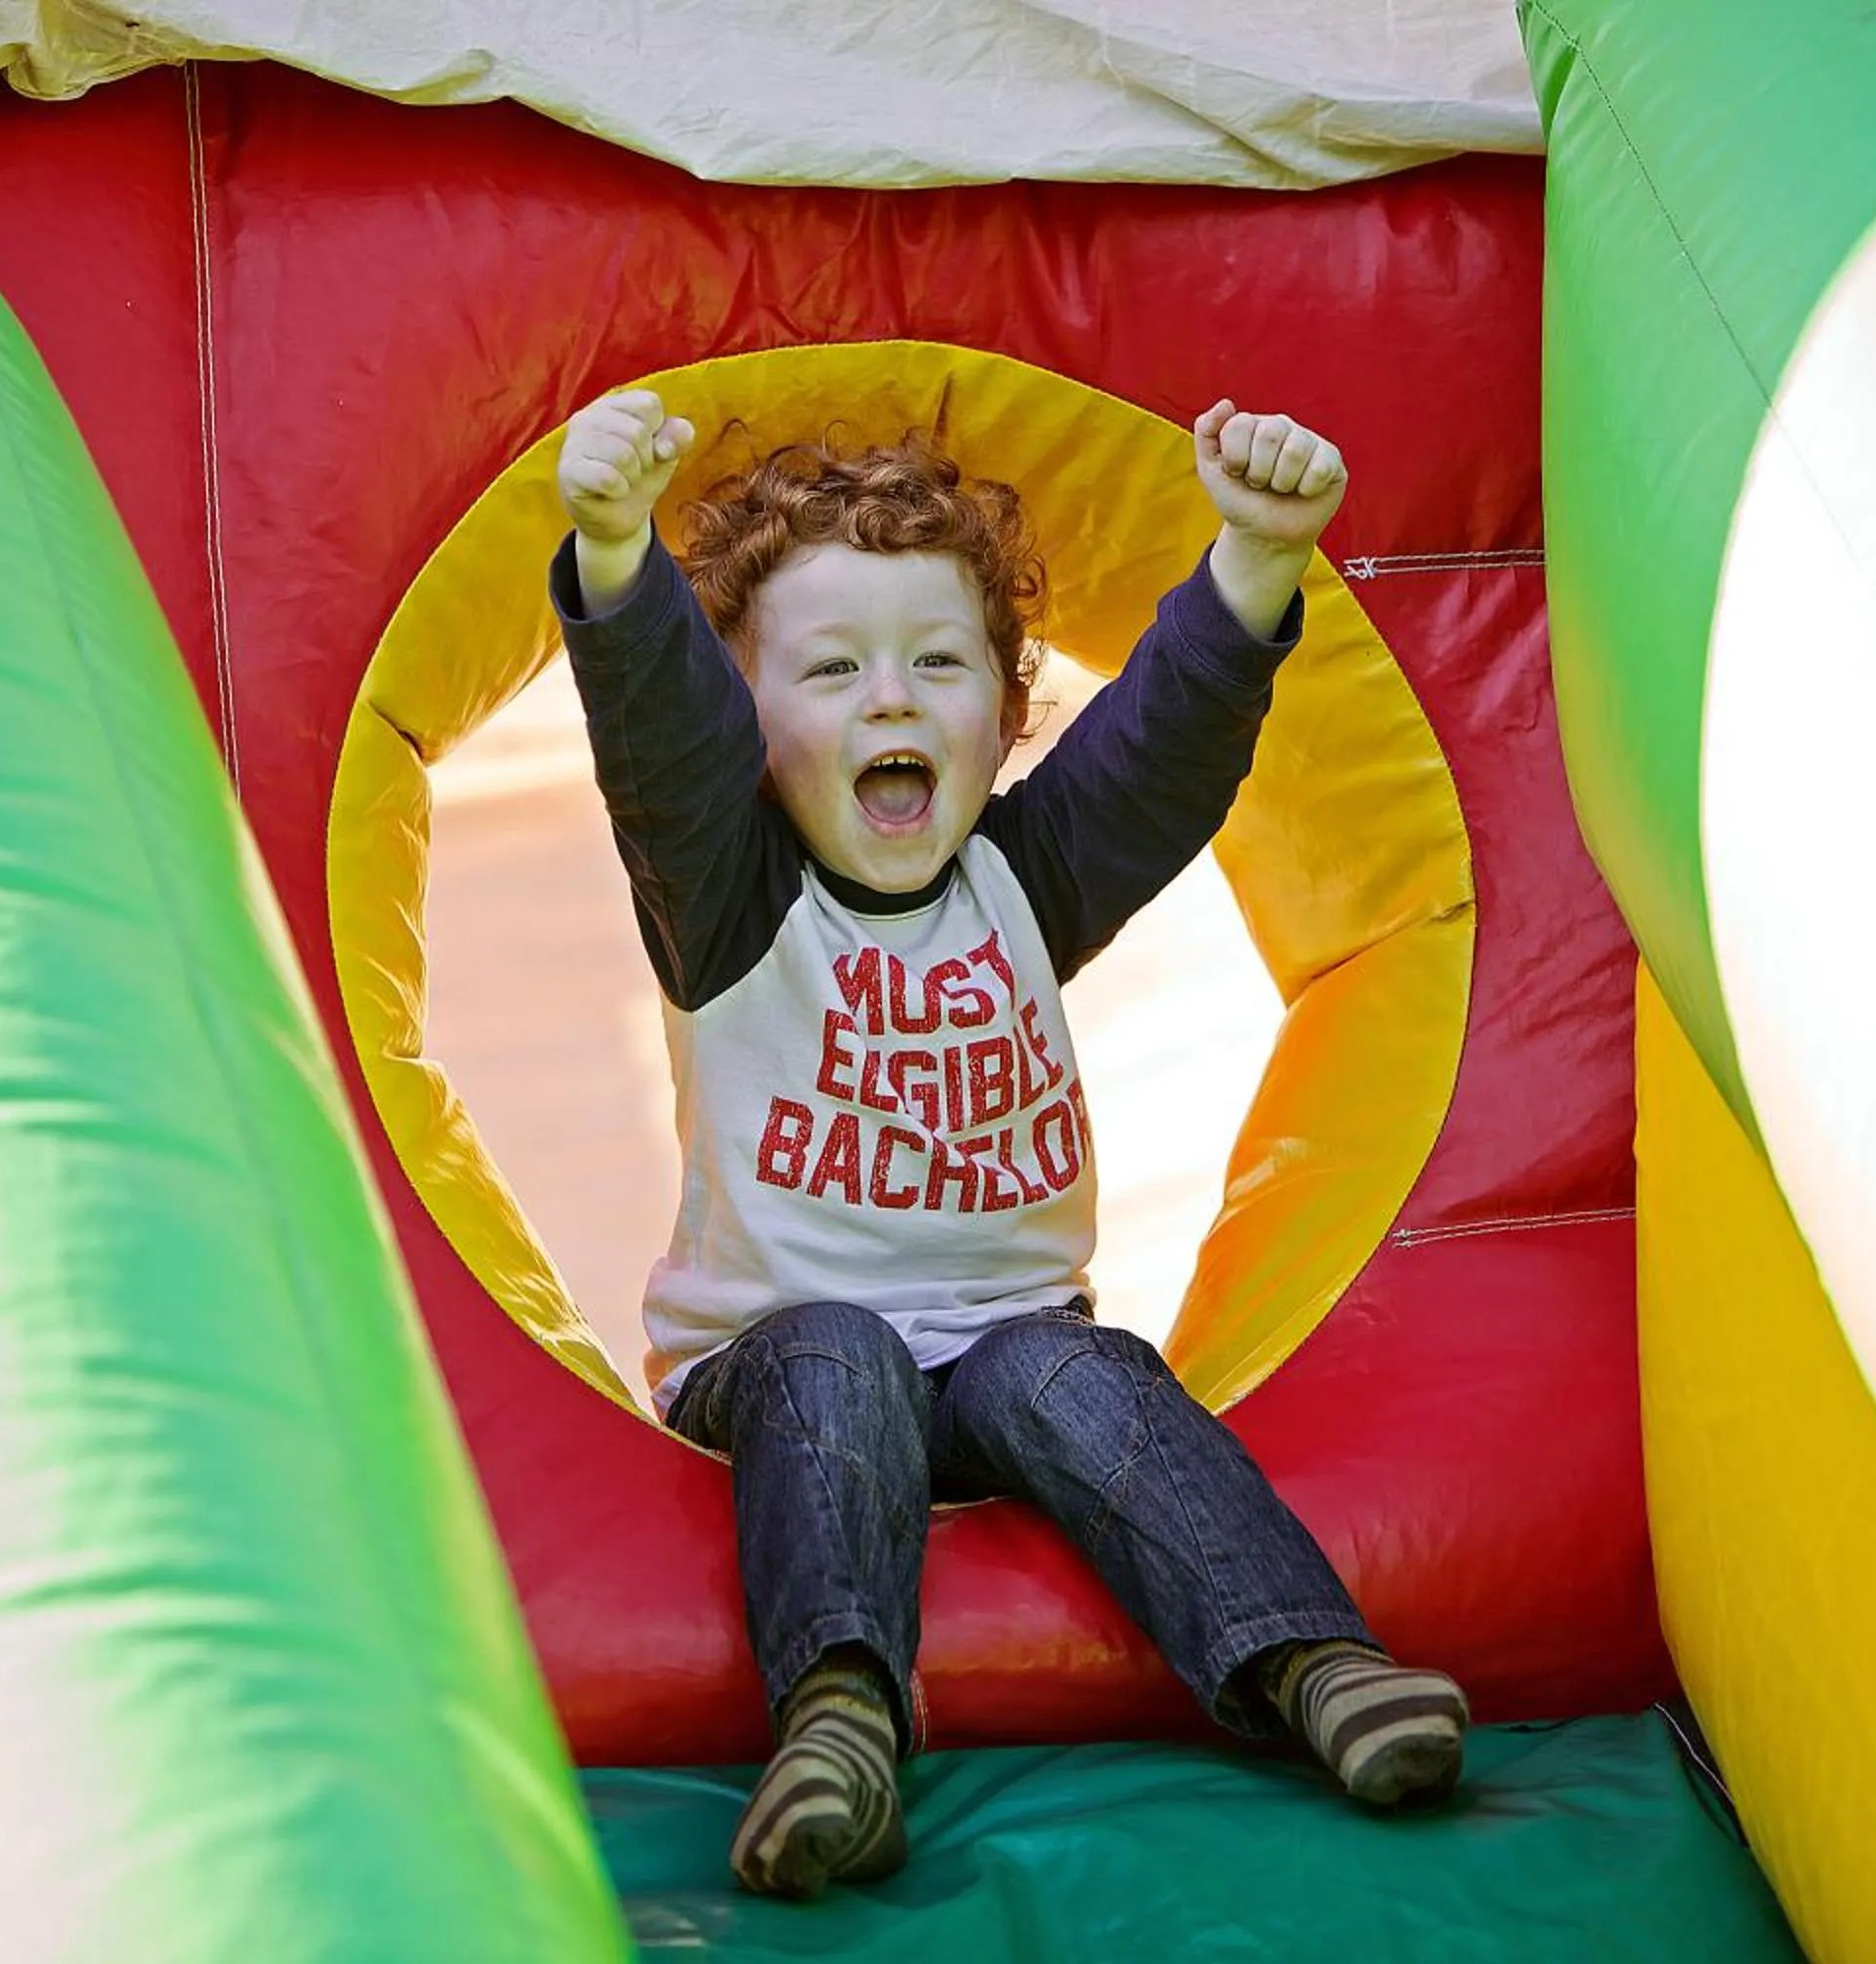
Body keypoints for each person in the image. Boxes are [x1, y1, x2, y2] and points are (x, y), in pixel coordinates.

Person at [548, 387, 1465, 1899]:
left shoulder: (1021, 883)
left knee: (1077, 1369)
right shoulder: (731, 898)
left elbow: (1159, 755)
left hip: (997, 1347)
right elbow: (656, 740)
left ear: (1004, 707)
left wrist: (1256, 557)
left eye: (939, 664)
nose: (892, 701)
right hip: (774, 1353)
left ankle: (1316, 1666)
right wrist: (613, 551)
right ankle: (841, 1718)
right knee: (836, 1346)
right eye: (831, 670)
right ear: (754, 724)